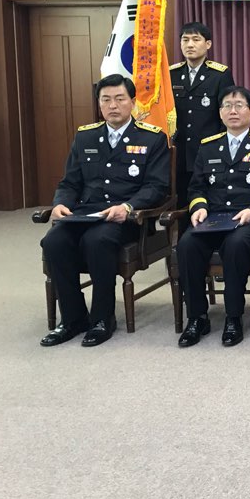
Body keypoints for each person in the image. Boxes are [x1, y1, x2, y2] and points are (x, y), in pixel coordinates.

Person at [39, 74, 170, 347]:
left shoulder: (152, 138)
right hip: (85, 214)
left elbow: (157, 187)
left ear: (133, 102)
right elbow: (70, 182)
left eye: (120, 99)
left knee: (97, 240)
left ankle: (102, 318)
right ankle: (73, 319)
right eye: (106, 100)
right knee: (53, 241)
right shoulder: (85, 136)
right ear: (99, 104)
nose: (113, 105)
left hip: (126, 218)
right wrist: (61, 202)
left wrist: (128, 206)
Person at [175, 86, 250, 348]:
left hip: (248, 219)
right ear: (220, 112)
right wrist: (199, 207)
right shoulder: (208, 147)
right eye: (227, 105)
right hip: (212, 217)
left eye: (239, 106)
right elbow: (196, 187)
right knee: (187, 244)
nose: (232, 111)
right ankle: (197, 317)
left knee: (236, 245)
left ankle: (233, 317)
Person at [170, 21, 235, 212]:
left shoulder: (219, 74)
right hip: (180, 153)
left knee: (210, 201)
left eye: (196, 39)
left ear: (208, 44)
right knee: (182, 203)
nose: (190, 44)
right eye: (185, 40)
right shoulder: (171, 74)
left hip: (209, 150)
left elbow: (227, 114)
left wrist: (221, 148)